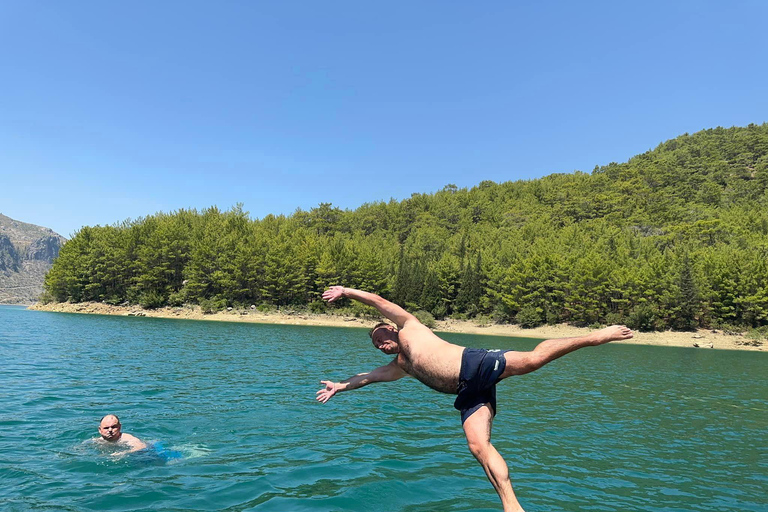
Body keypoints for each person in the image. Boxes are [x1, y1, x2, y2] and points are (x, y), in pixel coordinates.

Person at [317, 286, 633, 512]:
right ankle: (512, 506)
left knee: (534, 361)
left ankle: (595, 336)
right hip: (468, 392)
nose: (382, 345)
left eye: (381, 337)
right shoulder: (400, 367)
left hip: (474, 363)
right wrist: (339, 387)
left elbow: (379, 300)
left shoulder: (410, 326)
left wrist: (346, 292)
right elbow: (366, 378)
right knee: (478, 447)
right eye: (377, 346)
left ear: (390, 328)